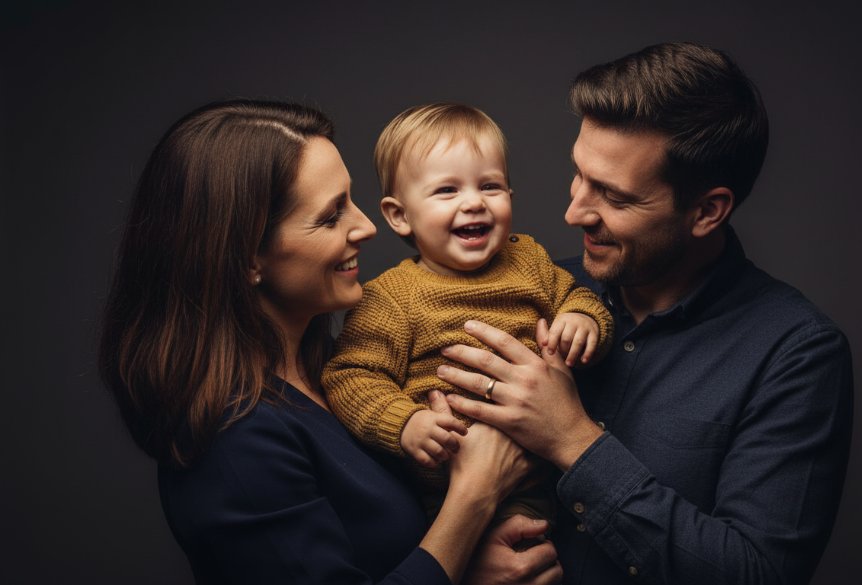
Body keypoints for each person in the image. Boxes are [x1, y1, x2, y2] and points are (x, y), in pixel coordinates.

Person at [437, 42, 854, 584]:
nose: (573, 211)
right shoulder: (531, 290)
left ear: (707, 211)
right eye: (578, 174)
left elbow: (757, 575)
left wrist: (573, 440)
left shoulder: (797, 353)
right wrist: (463, 556)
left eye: (613, 196)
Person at [98, 99, 561, 585]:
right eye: (330, 216)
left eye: (352, 201)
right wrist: (475, 497)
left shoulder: (336, 373)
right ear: (247, 257)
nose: (364, 227)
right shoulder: (233, 444)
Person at [321, 103, 613, 522]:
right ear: (400, 216)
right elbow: (350, 376)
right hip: (445, 490)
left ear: (510, 196)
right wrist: (406, 423)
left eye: (490, 186)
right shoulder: (389, 298)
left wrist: (582, 321)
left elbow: (577, 298)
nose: (474, 203)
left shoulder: (528, 258)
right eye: (447, 190)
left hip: (544, 478)